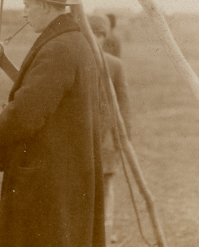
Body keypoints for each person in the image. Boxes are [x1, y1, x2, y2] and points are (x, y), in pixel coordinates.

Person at [0, 0, 105, 246]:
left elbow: (23, 118)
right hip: (66, 179)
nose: (24, 12)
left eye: (27, 5)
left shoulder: (59, 48)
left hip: (47, 185)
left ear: (43, 5)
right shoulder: (75, 42)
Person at [89, 14, 131, 244]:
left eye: (100, 35)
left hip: (106, 138)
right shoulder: (75, 61)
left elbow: (123, 104)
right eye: (91, 34)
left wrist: (124, 140)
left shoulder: (114, 65)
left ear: (105, 37)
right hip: (81, 139)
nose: (95, 39)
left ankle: (105, 233)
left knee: (105, 189)